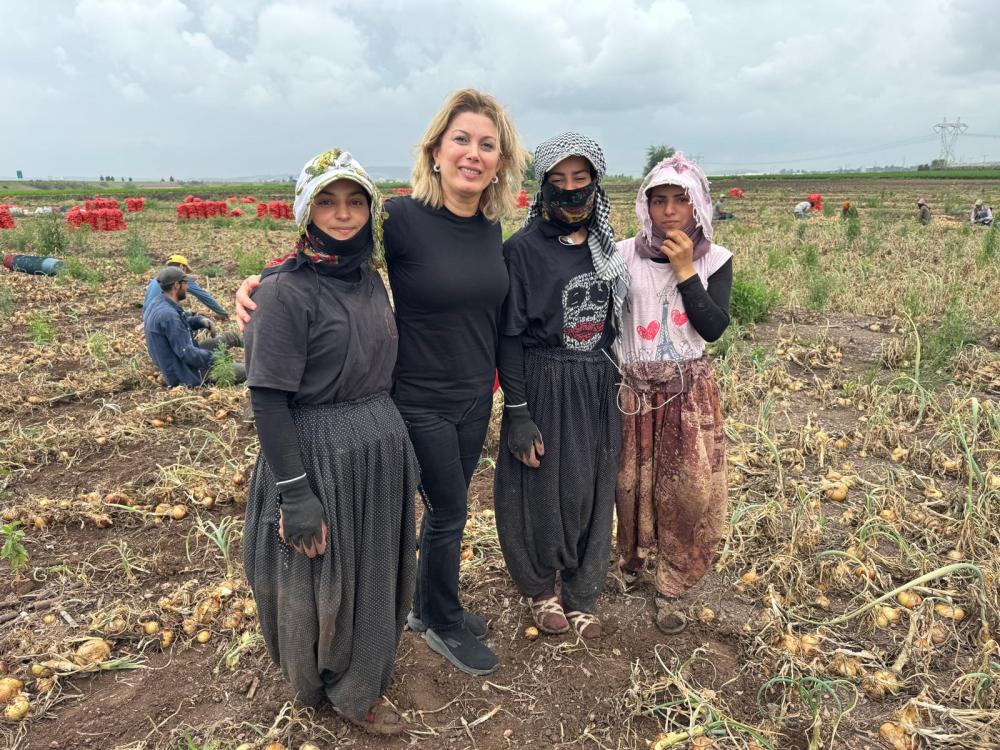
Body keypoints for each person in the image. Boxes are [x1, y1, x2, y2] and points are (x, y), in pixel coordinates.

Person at [237, 89, 526, 677]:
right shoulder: (404, 218)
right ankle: (438, 620)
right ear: (436, 152)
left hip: (474, 395)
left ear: (500, 160)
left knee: (451, 509)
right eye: (461, 140)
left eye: (487, 144)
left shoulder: (490, 228)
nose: (474, 153)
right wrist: (261, 281)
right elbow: (330, 241)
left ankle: (428, 602)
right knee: (447, 511)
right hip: (418, 398)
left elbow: (491, 317)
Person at [242, 149, 417, 734]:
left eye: (355, 201)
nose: (343, 214)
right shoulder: (285, 291)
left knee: (370, 574)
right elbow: (268, 398)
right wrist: (296, 493)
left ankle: (358, 683)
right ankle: (317, 682)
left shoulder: (369, 280)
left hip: (376, 451)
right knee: (319, 578)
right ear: (305, 209)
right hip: (317, 451)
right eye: (327, 200)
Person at [494, 133, 627, 640]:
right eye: (558, 180)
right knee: (539, 484)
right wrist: (518, 412)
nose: (571, 190)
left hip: (596, 381)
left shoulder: (607, 249)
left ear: (596, 182)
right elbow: (510, 336)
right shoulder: (522, 251)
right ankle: (538, 587)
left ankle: (583, 590)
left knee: (593, 487)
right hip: (545, 379)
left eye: (581, 179)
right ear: (544, 186)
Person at [614, 152, 732, 635]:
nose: (667, 211)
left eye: (678, 202)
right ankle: (632, 563)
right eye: (657, 200)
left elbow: (712, 327)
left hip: (686, 394)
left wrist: (685, 270)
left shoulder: (714, 260)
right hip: (632, 391)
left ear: (697, 206)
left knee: (685, 491)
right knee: (629, 486)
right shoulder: (622, 256)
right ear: (645, 207)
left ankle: (672, 582)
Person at [143, 266, 244, 387]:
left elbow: (180, 322)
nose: (188, 287)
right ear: (176, 285)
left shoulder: (159, 302)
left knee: (230, 337)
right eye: (185, 283)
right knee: (248, 371)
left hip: (182, 358)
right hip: (186, 372)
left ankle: (261, 346)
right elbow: (187, 354)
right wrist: (216, 358)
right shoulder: (168, 315)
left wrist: (200, 321)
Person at [143, 254, 228, 321]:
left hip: (148, 319)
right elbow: (204, 296)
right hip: (163, 317)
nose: (185, 274)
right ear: (181, 266)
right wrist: (223, 313)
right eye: (185, 270)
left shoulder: (156, 279)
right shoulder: (179, 277)